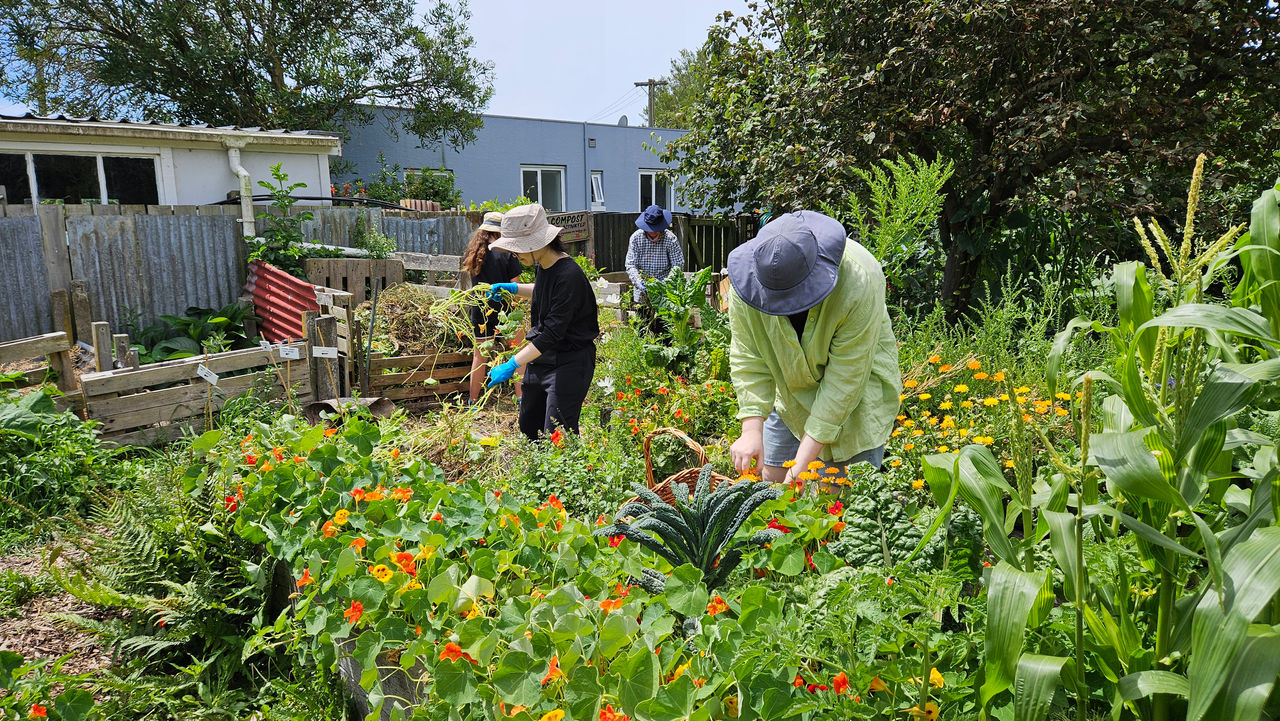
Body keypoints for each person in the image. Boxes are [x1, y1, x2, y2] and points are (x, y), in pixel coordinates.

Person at [724, 210, 901, 486]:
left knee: (837, 501)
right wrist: (751, 429)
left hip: (856, 400)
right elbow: (749, 358)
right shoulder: (746, 284)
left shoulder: (859, 279)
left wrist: (802, 467)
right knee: (771, 483)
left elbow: (845, 382)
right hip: (790, 396)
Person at [484, 204, 600, 441]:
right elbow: (545, 291)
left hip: (569, 361)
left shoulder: (570, 276)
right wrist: (514, 288)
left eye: (518, 250)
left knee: (557, 434)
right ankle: (538, 477)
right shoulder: (546, 266)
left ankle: (568, 477)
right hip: (542, 359)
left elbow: (551, 334)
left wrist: (512, 364)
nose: (516, 255)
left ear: (537, 243)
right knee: (529, 426)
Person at [462, 211, 523, 403]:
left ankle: (472, 402)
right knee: (518, 354)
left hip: (480, 310)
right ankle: (521, 399)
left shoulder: (472, 254)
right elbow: (516, 288)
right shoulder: (507, 254)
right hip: (507, 312)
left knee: (479, 358)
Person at [625, 204, 684, 333]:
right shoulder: (636, 238)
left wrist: (662, 286)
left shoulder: (670, 239)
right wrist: (641, 283)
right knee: (643, 331)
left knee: (664, 334)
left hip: (664, 295)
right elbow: (630, 265)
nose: (652, 232)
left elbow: (677, 265)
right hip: (642, 295)